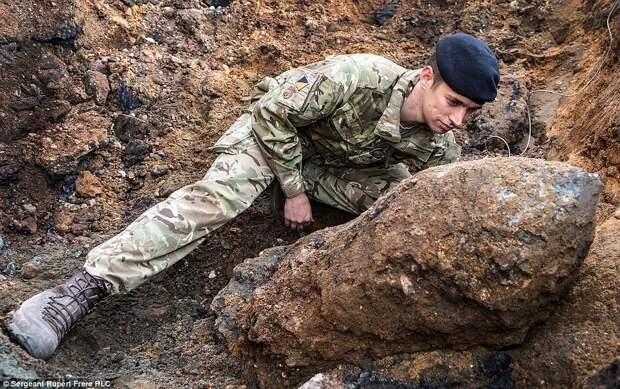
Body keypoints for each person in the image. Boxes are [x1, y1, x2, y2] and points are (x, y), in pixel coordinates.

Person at [6, 33, 500, 360]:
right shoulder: (357, 75)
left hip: (329, 166)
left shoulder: (441, 145)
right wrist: (294, 191)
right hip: (271, 135)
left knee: (401, 203)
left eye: (469, 112)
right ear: (426, 77)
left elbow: (426, 208)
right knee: (220, 199)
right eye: (453, 102)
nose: (457, 119)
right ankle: (77, 292)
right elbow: (272, 112)